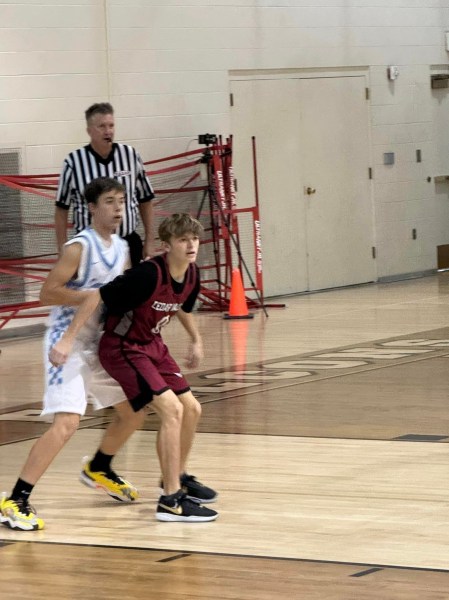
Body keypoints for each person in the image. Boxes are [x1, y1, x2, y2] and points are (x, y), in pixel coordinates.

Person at [47, 213, 218, 523]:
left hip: (152, 345)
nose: (191, 244)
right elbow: (97, 295)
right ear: (167, 245)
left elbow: (180, 306)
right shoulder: (147, 274)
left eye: (194, 238)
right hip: (122, 346)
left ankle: (176, 477)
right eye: (183, 239)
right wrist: (68, 339)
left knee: (192, 408)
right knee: (171, 410)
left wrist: (196, 340)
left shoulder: (192, 273)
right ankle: (171, 500)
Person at [0, 178, 146, 531]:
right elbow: (47, 293)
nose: (117, 207)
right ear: (92, 208)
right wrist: (94, 296)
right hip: (66, 342)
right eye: (109, 201)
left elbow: (123, 296)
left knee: (134, 411)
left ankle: (99, 467)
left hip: (101, 343)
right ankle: (15, 499)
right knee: (67, 423)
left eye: (121, 201)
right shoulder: (79, 247)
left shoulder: (123, 248)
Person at [55, 102, 155, 266]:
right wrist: (62, 248)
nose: (108, 131)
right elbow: (61, 209)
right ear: (89, 131)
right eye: (102, 126)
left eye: (111, 125)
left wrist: (150, 240)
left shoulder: (130, 155)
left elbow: (146, 199)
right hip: (90, 246)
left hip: (127, 241)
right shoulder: (73, 162)